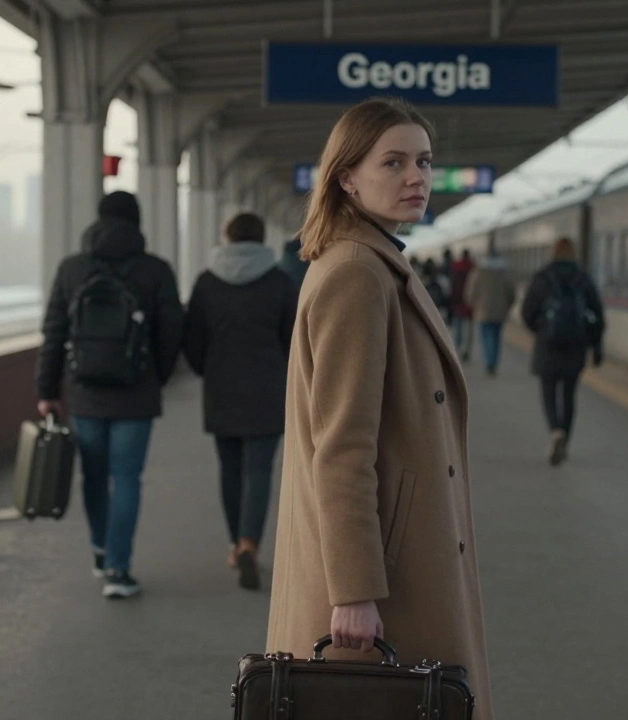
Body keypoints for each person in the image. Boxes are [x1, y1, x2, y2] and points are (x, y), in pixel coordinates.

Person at [265, 97, 494, 719]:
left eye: (423, 160)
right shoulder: (357, 274)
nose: (416, 177)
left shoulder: (371, 260)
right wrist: (356, 592)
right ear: (347, 176)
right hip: (386, 580)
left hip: (394, 560)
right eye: (392, 162)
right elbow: (342, 446)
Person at [35, 190, 184, 599]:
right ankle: (118, 569)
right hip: (136, 393)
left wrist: (47, 390)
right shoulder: (155, 270)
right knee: (127, 477)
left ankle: (101, 549)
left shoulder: (72, 269)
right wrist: (157, 375)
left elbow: (53, 333)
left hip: (84, 391)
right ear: (137, 222)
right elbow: (173, 332)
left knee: (94, 475)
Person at [183, 212, 296, 591]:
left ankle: (235, 544)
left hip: (222, 387)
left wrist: (208, 369)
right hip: (267, 388)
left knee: (230, 469)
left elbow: (193, 341)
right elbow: (293, 339)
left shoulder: (206, 283)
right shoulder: (280, 281)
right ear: (263, 239)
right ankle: (250, 542)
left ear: (227, 237)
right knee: (258, 470)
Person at [520, 237, 605, 467]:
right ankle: (565, 437)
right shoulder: (583, 279)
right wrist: (596, 346)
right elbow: (597, 315)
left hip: (547, 345)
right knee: (569, 394)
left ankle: (555, 431)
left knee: (548, 392)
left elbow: (527, 313)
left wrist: (541, 329)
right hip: (576, 347)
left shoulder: (543, 277)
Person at [464, 250, 516, 376]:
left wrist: (471, 303)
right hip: (500, 312)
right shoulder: (504, 273)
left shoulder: (478, 272)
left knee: (485, 337)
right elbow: (511, 293)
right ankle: (493, 362)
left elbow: (471, 292)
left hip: (483, 311)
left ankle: (488, 362)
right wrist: (507, 306)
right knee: (497, 337)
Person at [449, 249, 476, 360]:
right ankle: (467, 350)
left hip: (457, 303)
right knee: (469, 329)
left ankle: (457, 349)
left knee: (458, 327)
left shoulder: (455, 268)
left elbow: (452, 287)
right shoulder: (473, 268)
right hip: (469, 304)